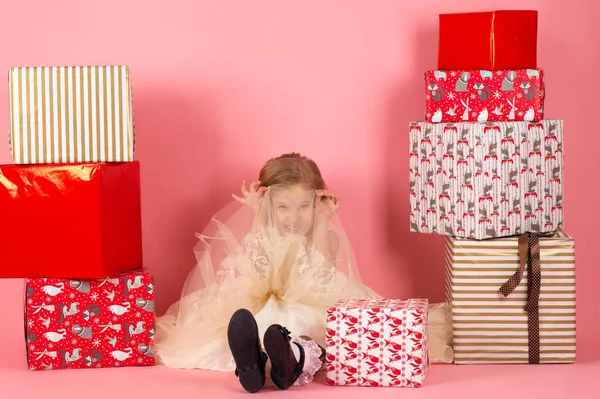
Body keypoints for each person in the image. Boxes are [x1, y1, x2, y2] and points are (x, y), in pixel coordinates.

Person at [154, 153, 452, 393]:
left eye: (303, 207)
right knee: (254, 322)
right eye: (282, 207)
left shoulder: (324, 235)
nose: (293, 218)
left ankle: (292, 359)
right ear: (268, 205)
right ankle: (256, 363)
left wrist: (322, 220)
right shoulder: (262, 232)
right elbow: (253, 270)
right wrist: (260, 218)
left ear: (316, 203)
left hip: (311, 306)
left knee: (314, 327)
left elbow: (320, 278)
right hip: (264, 306)